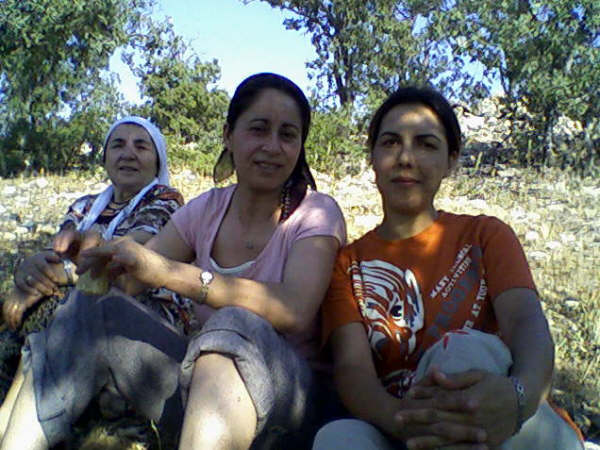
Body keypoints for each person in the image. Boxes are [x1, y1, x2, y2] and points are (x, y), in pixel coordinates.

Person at [1, 73, 346, 450]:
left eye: (287, 135)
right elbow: (133, 278)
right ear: (229, 136)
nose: (272, 146)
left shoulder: (316, 212)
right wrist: (92, 257)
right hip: (209, 400)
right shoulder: (207, 208)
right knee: (92, 305)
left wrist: (172, 274)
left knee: (234, 322)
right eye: (258, 129)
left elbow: (294, 309)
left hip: (290, 406)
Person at [312, 87, 584, 450]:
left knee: (460, 352)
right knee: (336, 438)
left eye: (426, 144)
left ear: (451, 161)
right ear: (372, 158)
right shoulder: (348, 264)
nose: (405, 158)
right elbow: (353, 370)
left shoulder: (486, 235)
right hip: (406, 428)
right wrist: (414, 423)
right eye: (390, 143)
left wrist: (519, 397)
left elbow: (526, 322)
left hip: (502, 426)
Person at [0, 116, 185, 447]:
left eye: (141, 146)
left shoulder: (166, 200)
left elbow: (130, 255)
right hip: (79, 300)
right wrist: (25, 277)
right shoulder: (84, 206)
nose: (128, 153)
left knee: (58, 311)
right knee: (36, 309)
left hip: (140, 305)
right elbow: (54, 256)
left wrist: (62, 273)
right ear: (105, 157)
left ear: (157, 161)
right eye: (118, 145)